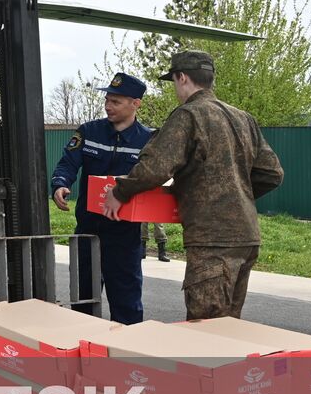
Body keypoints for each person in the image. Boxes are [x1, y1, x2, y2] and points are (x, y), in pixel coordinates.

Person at [103, 50, 283, 320]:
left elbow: (155, 167)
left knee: (206, 329)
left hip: (211, 240)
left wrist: (119, 191)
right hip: (246, 238)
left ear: (182, 77)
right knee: (230, 326)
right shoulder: (242, 118)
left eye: (174, 81)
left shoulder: (189, 115)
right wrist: (235, 196)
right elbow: (271, 173)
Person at [50, 72, 153, 324]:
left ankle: (126, 355)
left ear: (135, 104)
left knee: (126, 302)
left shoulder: (148, 140)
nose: (108, 106)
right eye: (107, 99)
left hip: (124, 234)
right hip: (88, 230)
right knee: (83, 299)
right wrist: (60, 184)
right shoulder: (89, 132)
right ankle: (84, 352)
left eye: (116, 101)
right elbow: (68, 163)